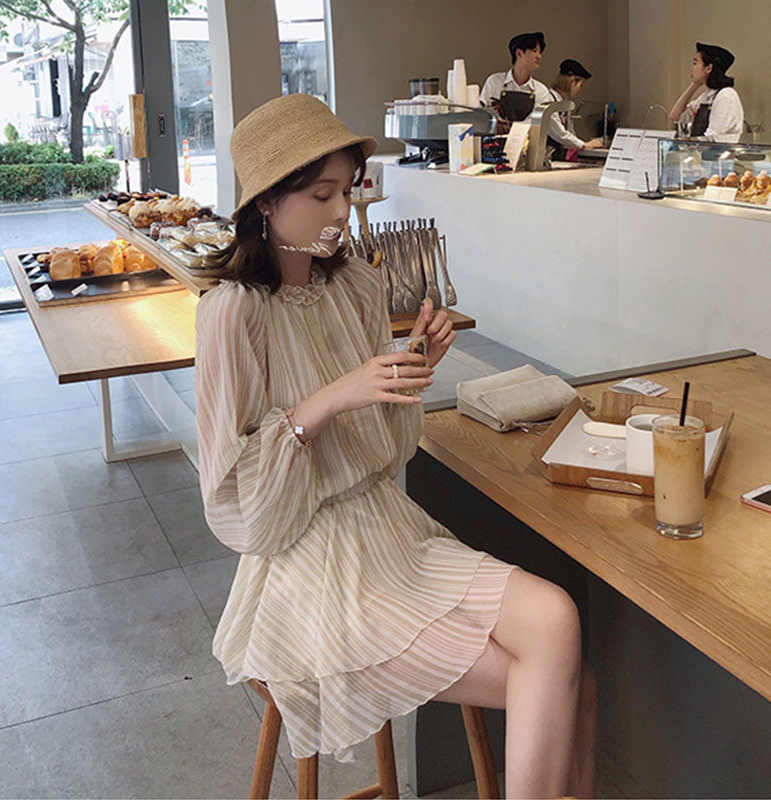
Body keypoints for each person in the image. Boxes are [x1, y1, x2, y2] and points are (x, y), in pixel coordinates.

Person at [195, 92, 597, 799]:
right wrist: (331, 398)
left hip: (392, 534)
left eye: (347, 191)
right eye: (322, 195)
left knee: (558, 621)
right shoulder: (233, 314)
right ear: (266, 200)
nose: (341, 211)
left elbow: (386, 450)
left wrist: (411, 369)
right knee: (566, 681)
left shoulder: (354, 284)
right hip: (311, 570)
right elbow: (239, 508)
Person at [669, 43, 744, 142]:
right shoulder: (706, 97)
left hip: (717, 151)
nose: (691, 68)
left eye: (695, 63)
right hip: (702, 150)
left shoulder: (725, 96)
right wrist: (694, 85)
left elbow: (712, 138)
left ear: (708, 68)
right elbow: (676, 116)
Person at [480, 31, 551, 111]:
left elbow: (547, 117)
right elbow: (481, 114)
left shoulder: (540, 90)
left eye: (540, 52)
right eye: (535, 51)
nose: (539, 56)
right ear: (519, 53)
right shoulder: (494, 82)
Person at [546, 59, 604, 158]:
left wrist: (580, 144)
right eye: (581, 85)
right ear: (573, 81)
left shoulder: (566, 105)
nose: (580, 89)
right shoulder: (549, 99)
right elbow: (559, 133)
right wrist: (583, 144)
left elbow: (570, 133)